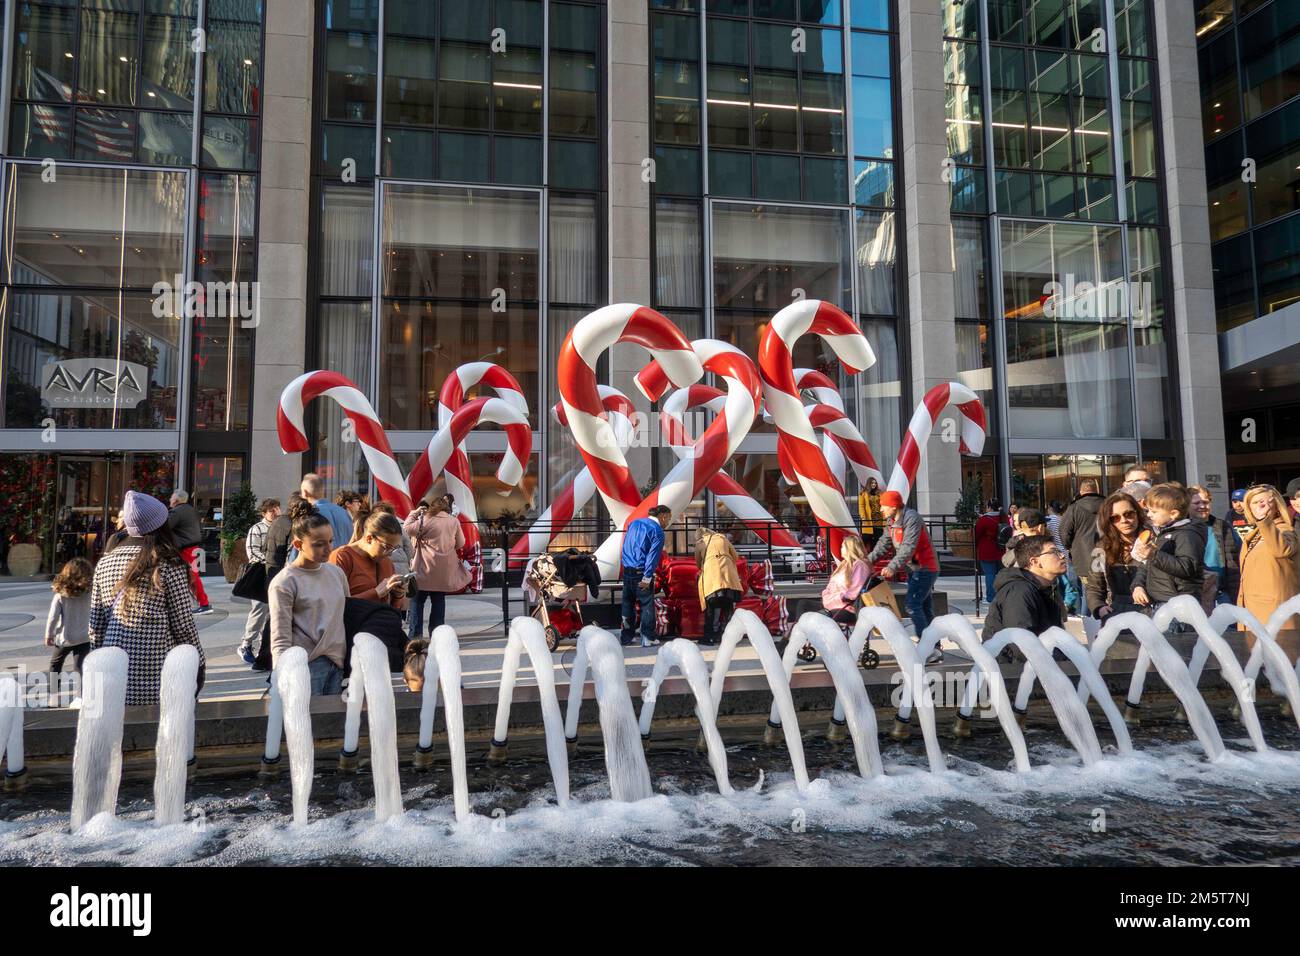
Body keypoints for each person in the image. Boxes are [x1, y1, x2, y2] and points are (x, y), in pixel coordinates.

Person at [88, 490, 206, 706]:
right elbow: (183, 626)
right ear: (160, 525)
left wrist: (98, 669)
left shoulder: (105, 564)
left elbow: (96, 626)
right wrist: (198, 662)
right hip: (158, 668)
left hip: (113, 671)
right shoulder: (169, 564)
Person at [268, 500, 349, 696]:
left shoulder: (336, 573)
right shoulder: (284, 582)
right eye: (319, 544)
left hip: (338, 663)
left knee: (332, 724)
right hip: (305, 666)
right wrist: (282, 676)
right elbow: (280, 636)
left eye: (331, 541)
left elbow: (347, 615)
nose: (328, 549)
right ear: (298, 544)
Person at [868, 490, 941, 659]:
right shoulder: (891, 521)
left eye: (883, 506)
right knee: (924, 607)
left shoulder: (911, 518)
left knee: (912, 604)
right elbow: (884, 543)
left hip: (925, 567)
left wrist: (893, 566)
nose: (881, 509)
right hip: (914, 568)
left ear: (893, 506)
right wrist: (867, 561)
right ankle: (934, 647)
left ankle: (927, 648)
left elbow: (909, 546)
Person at [1238, 485, 1300, 663]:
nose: (1261, 506)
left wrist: (1264, 520)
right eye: (1256, 502)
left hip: (1275, 614)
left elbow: (1283, 549)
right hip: (1254, 612)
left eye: (1266, 502)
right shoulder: (1256, 533)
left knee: (1281, 667)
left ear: (1277, 504)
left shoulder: (1285, 530)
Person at [1131, 483, 1207, 614]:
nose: (1149, 515)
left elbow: (1187, 567)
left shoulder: (1186, 534)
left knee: (1174, 635)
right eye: (1148, 510)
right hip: (1157, 602)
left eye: (1154, 511)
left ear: (1173, 514)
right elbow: (1147, 565)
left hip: (1178, 604)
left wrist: (1153, 555)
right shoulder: (1161, 533)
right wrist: (1138, 586)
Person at [982, 535, 1067, 642]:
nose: (1062, 556)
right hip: (1015, 657)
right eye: (1054, 552)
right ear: (1034, 562)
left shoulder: (1047, 588)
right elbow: (1021, 645)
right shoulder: (1019, 591)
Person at [404, 496, 467, 640]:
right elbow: (461, 543)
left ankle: (415, 635)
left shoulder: (425, 519)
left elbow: (407, 528)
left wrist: (415, 512)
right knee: (438, 601)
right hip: (443, 571)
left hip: (423, 568)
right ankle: (438, 635)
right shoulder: (453, 521)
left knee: (417, 601)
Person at [1085, 492, 1150, 624]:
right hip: (1117, 614)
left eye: (1129, 514)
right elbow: (1094, 587)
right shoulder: (1100, 548)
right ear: (1108, 521)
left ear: (1137, 513)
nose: (1124, 520)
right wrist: (1100, 608)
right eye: (1115, 518)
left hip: (1151, 612)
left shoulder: (1154, 540)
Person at [331, 510, 410, 611]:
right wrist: (376, 592)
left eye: (395, 548)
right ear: (369, 538)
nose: (390, 553)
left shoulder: (386, 562)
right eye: (387, 547)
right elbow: (335, 604)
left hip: (380, 624)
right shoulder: (342, 557)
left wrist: (398, 595)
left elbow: (394, 609)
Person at [619, 505, 673, 648]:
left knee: (627, 604)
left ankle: (626, 637)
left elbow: (625, 546)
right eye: (668, 518)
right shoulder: (657, 531)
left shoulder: (634, 523)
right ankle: (648, 637)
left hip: (628, 569)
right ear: (662, 516)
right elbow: (653, 557)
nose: (668, 522)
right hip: (642, 571)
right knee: (646, 604)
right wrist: (647, 577)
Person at [236, 497, 281, 665]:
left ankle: (265, 646)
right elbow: (253, 553)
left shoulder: (282, 528)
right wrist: (272, 562)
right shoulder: (257, 529)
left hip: (277, 574)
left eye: (277, 508)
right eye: (272, 510)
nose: (276, 512)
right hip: (261, 574)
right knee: (259, 609)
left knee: (273, 611)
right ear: (264, 513)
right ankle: (246, 644)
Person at [45, 557, 93, 695]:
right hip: (84, 637)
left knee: (55, 663)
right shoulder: (89, 593)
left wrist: (49, 634)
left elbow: (53, 617)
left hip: (64, 637)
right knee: (79, 667)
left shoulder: (61, 595)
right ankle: (81, 696)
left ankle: (53, 695)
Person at [1188, 484, 1239, 611]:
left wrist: (1235, 593)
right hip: (1194, 593)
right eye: (1196, 503)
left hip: (1221, 592)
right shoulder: (1182, 529)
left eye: (1205, 502)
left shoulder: (1222, 526)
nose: (1202, 506)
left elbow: (1232, 561)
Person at [1060, 479, 1105, 613]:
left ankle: (1082, 617)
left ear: (1081, 491)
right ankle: (1092, 616)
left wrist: (1070, 547)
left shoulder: (1074, 507)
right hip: (1103, 553)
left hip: (1079, 555)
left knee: (1081, 588)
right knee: (1096, 589)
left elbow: (1064, 532)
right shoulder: (1107, 504)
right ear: (1097, 491)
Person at [166, 489, 211, 615]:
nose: (170, 500)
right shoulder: (191, 510)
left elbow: (166, 527)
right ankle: (201, 603)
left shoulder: (176, 512)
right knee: (192, 577)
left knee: (192, 578)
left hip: (187, 549)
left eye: (171, 497)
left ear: (175, 500)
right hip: (195, 548)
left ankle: (204, 604)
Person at [696, 526, 743, 646]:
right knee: (728, 608)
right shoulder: (723, 538)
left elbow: (698, 563)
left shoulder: (700, 543)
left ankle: (709, 638)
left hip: (712, 578)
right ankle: (730, 639)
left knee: (710, 609)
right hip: (728, 576)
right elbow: (736, 556)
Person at [822, 534, 870, 629]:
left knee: (815, 615)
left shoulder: (860, 565)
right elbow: (829, 587)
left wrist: (836, 597)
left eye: (843, 546)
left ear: (850, 548)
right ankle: (799, 641)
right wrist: (827, 596)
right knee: (804, 605)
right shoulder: (843, 565)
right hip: (832, 603)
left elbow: (853, 592)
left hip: (848, 608)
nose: (841, 549)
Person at [300, 473, 353, 550]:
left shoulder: (310, 514)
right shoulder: (343, 512)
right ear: (322, 490)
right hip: (345, 560)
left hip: (323, 560)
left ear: (305, 492)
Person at [973, 500, 1004, 603]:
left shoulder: (984, 520)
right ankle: (1002, 596)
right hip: (1002, 550)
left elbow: (975, 534)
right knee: (1001, 574)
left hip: (987, 550)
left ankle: (991, 598)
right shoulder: (1004, 518)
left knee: (990, 574)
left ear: (990, 508)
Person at [371, 500, 412, 577]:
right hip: (401, 569)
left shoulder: (373, 527)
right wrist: (404, 560)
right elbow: (409, 547)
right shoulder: (398, 526)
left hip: (381, 570)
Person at [857, 477, 884, 547]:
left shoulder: (880, 493)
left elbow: (883, 504)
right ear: (869, 484)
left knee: (877, 540)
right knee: (865, 539)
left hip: (879, 520)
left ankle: (875, 556)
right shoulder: (863, 493)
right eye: (872, 483)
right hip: (868, 519)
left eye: (875, 483)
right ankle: (860, 555)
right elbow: (861, 506)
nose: (874, 484)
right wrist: (863, 517)